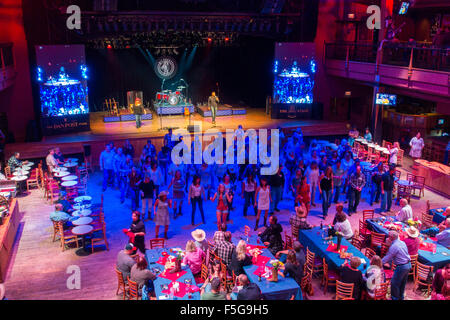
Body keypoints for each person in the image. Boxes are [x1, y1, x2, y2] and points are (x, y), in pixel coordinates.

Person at [382, 231, 411, 300]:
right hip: (408, 265)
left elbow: (387, 257)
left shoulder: (394, 246)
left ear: (391, 238)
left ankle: (395, 298)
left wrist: (377, 263)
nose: (388, 238)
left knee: (394, 283)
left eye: (389, 236)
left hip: (402, 266)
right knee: (402, 283)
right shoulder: (402, 242)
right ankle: (401, 297)